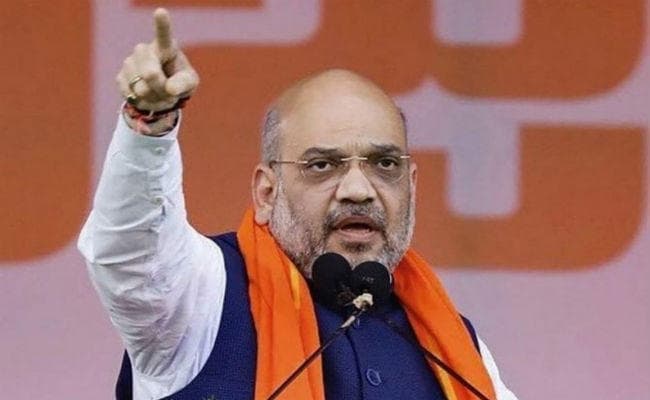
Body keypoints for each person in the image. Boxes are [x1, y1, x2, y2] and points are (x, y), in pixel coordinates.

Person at [78, 8, 518, 400]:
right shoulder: (203, 294)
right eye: (322, 165)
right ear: (267, 193)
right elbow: (129, 254)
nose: (358, 189)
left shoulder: (455, 346)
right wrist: (151, 125)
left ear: (412, 187)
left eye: (385, 164)